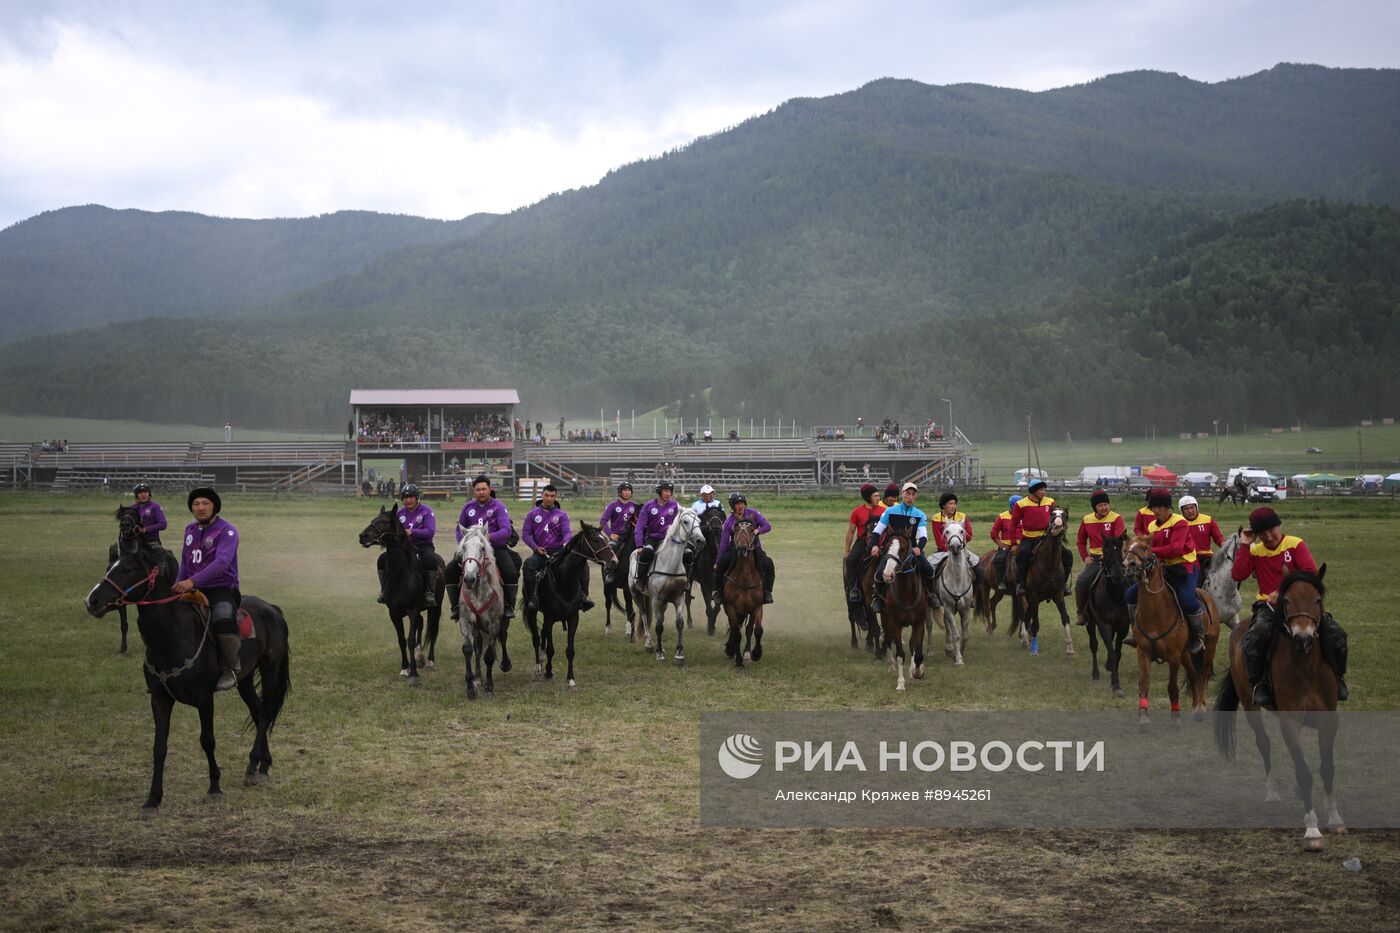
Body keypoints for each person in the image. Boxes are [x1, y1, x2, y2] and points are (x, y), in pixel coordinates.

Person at [1232, 507, 1347, 705]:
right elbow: (1238, 574)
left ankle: (1338, 677)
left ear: (1279, 525)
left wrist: (1283, 591)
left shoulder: (1295, 544)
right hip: (1267, 606)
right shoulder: (1254, 550)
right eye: (1262, 533)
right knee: (1257, 635)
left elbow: (1310, 572)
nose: (1268, 536)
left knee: (1337, 634)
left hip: (1301, 603)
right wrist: (1244, 545)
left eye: (1272, 530)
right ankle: (1258, 683)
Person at [171, 487, 242, 691]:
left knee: (223, 616)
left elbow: (221, 563)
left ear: (214, 507)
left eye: (205, 503)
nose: (200, 508)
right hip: (192, 587)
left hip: (222, 588)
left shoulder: (227, 530)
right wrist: (178, 584)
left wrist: (191, 582)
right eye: (196, 504)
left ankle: (230, 668)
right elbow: (185, 560)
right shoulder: (190, 530)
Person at [1123, 488, 1204, 654]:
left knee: (1187, 600)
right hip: (1163, 568)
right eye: (1153, 507)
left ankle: (1198, 635)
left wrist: (1150, 552)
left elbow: (1176, 549)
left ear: (1168, 507)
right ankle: (1135, 632)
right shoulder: (1152, 525)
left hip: (1185, 567)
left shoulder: (1179, 522)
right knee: (1131, 595)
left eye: (1160, 507)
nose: (1156, 511)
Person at [446, 476, 520, 621]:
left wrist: (489, 538)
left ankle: (508, 607)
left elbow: (506, 530)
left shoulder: (498, 507)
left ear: (490, 490)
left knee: (510, 571)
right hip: (471, 550)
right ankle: (456, 607)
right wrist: (464, 544)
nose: (481, 492)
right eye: (478, 489)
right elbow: (458, 529)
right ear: (474, 491)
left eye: (484, 489)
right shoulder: (468, 507)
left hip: (495, 548)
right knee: (449, 571)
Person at [522, 484, 594, 613]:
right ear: (542, 496)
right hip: (541, 553)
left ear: (555, 497)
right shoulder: (532, 515)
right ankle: (532, 597)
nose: (549, 498)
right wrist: (536, 547)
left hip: (560, 552)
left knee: (583, 565)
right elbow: (526, 535)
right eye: (547, 495)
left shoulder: (562, 515)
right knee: (528, 565)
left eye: (552, 496)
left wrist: (566, 543)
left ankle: (583, 596)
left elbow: (566, 532)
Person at [868, 482, 937, 611]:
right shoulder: (889, 511)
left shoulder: (920, 515)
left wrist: (919, 548)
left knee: (928, 568)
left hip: (912, 550)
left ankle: (931, 595)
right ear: (902, 494)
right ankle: (877, 598)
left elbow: (923, 536)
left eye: (913, 494)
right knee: (879, 573)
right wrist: (875, 546)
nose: (910, 497)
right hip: (892, 549)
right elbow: (877, 531)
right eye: (908, 494)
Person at [380, 484, 439, 607]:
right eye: (405, 497)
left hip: (422, 546)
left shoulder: (426, 511)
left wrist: (412, 532)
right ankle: (385, 590)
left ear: (417, 498)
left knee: (431, 559)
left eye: (411, 497)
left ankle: (429, 591)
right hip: (403, 547)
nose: (408, 500)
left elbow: (430, 531)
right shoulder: (399, 514)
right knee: (382, 560)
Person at [1011, 479, 1072, 596]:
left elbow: (1056, 516)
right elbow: (1013, 525)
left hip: (1047, 537)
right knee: (1022, 556)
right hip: (1029, 538)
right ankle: (1021, 584)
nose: (1044, 492)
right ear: (1034, 491)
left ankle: (1063, 584)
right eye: (1041, 490)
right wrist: (1014, 544)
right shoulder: (1021, 504)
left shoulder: (1050, 502)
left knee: (1067, 555)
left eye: (1044, 489)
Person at [1073, 489, 1124, 626]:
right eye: (1100, 505)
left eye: (1106, 504)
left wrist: (1107, 553)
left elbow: (1118, 538)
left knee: (1129, 581)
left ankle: (1131, 611)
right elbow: (1080, 541)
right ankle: (1082, 612)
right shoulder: (1087, 519)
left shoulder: (1116, 518)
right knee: (1081, 582)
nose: (1104, 508)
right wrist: (1085, 557)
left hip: (1113, 557)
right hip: (1095, 558)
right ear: (1094, 507)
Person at [714, 493, 775, 603]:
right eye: (737, 504)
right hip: (735, 550)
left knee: (768, 564)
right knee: (721, 566)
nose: (740, 506)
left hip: (754, 548)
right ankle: (718, 592)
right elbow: (724, 543)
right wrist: (717, 561)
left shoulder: (753, 513)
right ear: (733, 506)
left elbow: (767, 526)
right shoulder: (729, 521)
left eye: (742, 503)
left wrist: (758, 530)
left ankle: (767, 592)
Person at [633, 480, 685, 592]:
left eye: (670, 491)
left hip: (670, 539)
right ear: (659, 491)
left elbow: (684, 517)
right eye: (666, 491)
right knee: (646, 553)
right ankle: (640, 580)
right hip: (652, 538)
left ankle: (686, 581)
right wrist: (639, 545)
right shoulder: (648, 506)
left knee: (688, 553)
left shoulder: (675, 506)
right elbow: (639, 527)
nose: (668, 494)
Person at [929, 491, 985, 590]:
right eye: (950, 504)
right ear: (943, 505)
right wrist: (948, 549)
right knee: (929, 569)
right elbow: (939, 538)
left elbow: (969, 534)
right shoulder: (936, 518)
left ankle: (973, 593)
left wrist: (960, 545)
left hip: (961, 549)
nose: (953, 506)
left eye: (954, 503)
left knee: (980, 569)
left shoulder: (962, 516)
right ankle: (933, 594)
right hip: (943, 551)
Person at [843, 483, 885, 603]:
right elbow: (851, 532)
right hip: (863, 542)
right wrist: (847, 550)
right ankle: (854, 588)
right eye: (875, 496)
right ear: (868, 497)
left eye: (878, 495)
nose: (878, 498)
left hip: (881, 541)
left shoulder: (884, 511)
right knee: (850, 560)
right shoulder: (857, 512)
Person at [1179, 495, 1224, 573]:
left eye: (1192, 507)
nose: (1190, 511)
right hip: (1188, 558)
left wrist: (1225, 545)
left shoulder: (1208, 520)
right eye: (1186, 508)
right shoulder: (1178, 523)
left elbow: (1218, 537)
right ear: (1181, 511)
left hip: (1206, 556)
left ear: (1196, 507)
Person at [990, 495, 1022, 593]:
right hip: (1006, 546)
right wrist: (1001, 545)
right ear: (1012, 506)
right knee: (1000, 559)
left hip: (1022, 545)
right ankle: (1001, 582)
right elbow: (994, 533)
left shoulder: (1026, 516)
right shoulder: (1002, 516)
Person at [131, 482, 168, 548]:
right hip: (134, 542)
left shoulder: (155, 507)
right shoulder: (132, 508)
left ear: (149, 494)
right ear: (136, 495)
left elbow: (163, 524)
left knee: (166, 557)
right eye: (140, 493)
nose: (143, 495)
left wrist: (146, 529)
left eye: (145, 492)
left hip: (152, 542)